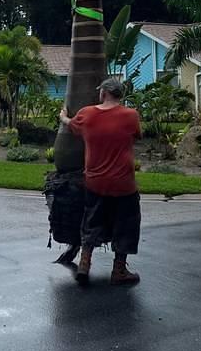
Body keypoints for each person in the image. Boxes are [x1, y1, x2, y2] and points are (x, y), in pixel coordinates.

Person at [59, 78, 142, 286]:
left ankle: (85, 265)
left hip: (95, 182)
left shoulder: (87, 114)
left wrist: (63, 118)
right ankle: (119, 270)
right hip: (124, 183)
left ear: (103, 92)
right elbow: (137, 135)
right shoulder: (131, 116)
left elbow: (72, 125)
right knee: (126, 224)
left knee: (91, 222)